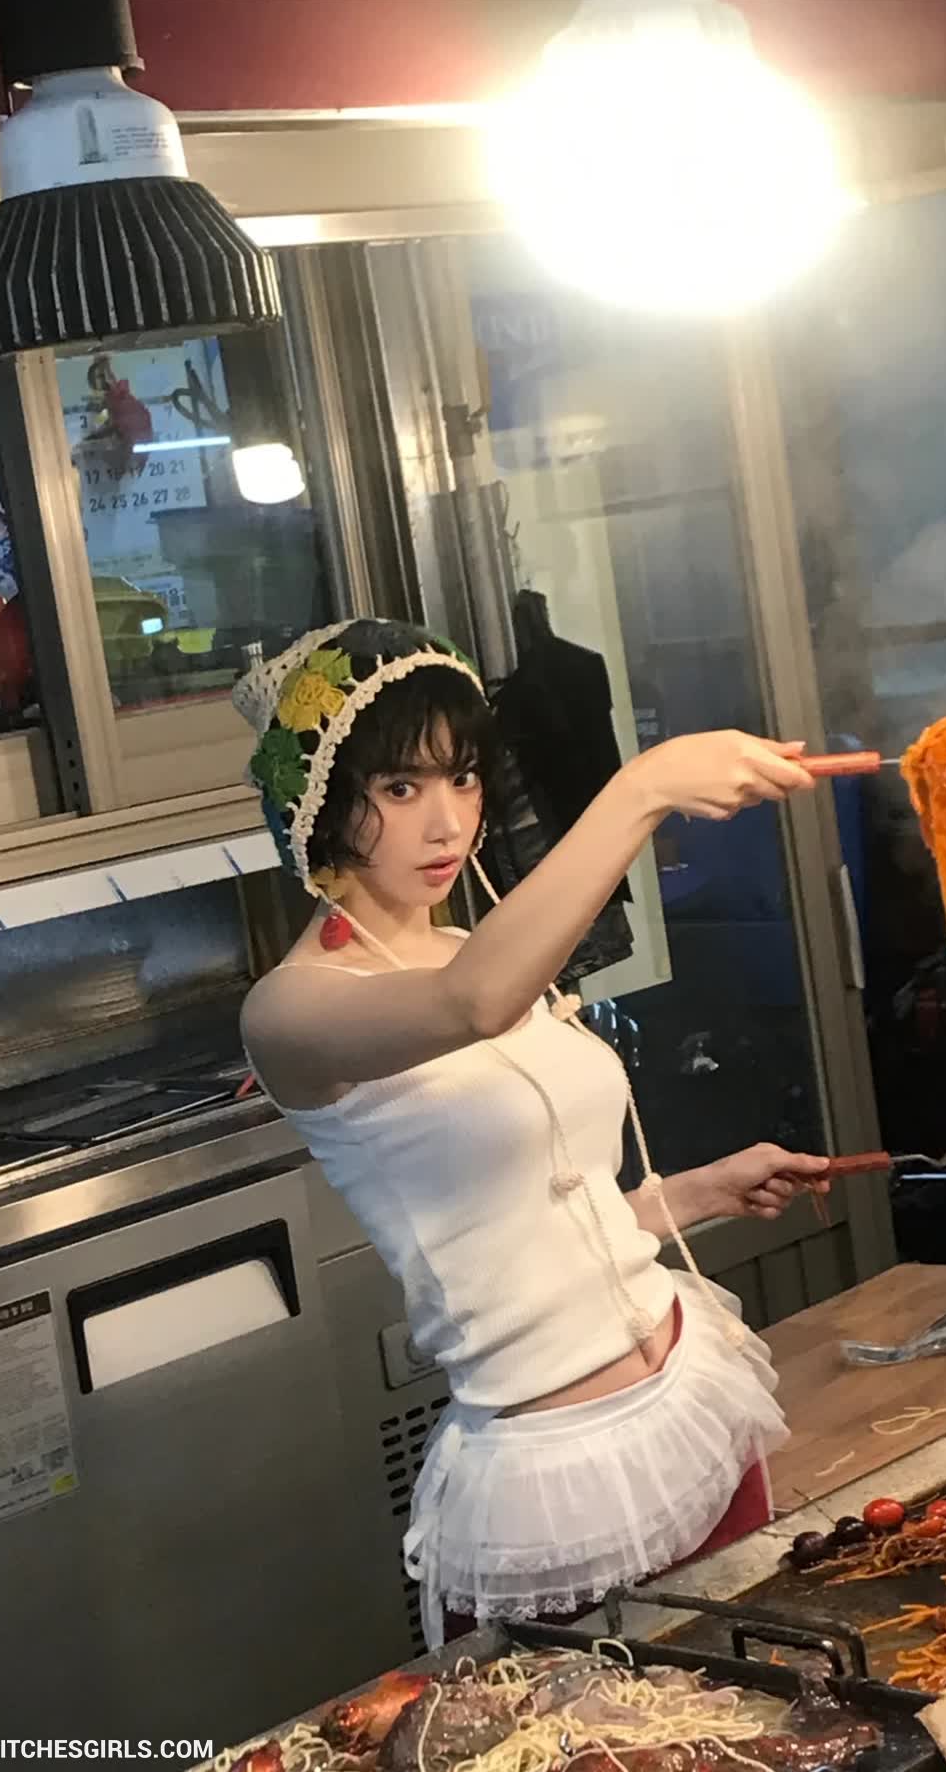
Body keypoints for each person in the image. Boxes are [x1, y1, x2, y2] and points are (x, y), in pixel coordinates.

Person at [235, 619, 831, 1645]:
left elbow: (541, 1219)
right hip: (552, 1478)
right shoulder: (292, 1010)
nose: (445, 823)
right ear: (320, 800)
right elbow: (472, 1003)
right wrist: (644, 785)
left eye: (462, 779)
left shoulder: (469, 943)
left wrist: (696, 1192)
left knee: (779, 1711)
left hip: (689, 1393)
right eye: (399, 788)